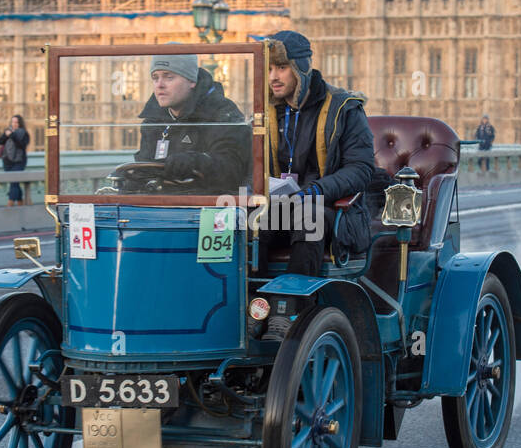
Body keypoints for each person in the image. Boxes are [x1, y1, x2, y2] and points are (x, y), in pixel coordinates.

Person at [258, 29, 375, 339]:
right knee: (242, 224)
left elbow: (362, 169)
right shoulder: (267, 111)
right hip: (281, 208)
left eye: (281, 68)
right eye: (269, 68)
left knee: (308, 218)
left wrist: (316, 190)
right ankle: (250, 309)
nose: (274, 76)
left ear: (301, 68)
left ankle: (287, 315)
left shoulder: (344, 108)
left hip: (335, 213)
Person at [134, 54, 249, 194]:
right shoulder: (153, 120)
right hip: (161, 204)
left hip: (207, 204)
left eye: (168, 77)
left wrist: (196, 162)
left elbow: (232, 168)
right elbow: (143, 168)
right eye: (155, 78)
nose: (160, 85)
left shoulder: (222, 113)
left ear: (192, 81)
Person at [0, 114, 29, 206]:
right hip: (7, 161)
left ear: (20, 123)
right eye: (13, 122)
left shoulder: (23, 133)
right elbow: (0, 141)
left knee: (14, 182)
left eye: (16, 122)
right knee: (14, 183)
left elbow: (22, 145)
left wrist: (12, 135)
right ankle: (20, 203)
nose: (14, 124)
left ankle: (10, 203)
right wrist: (6, 135)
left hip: (19, 161)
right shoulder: (8, 131)